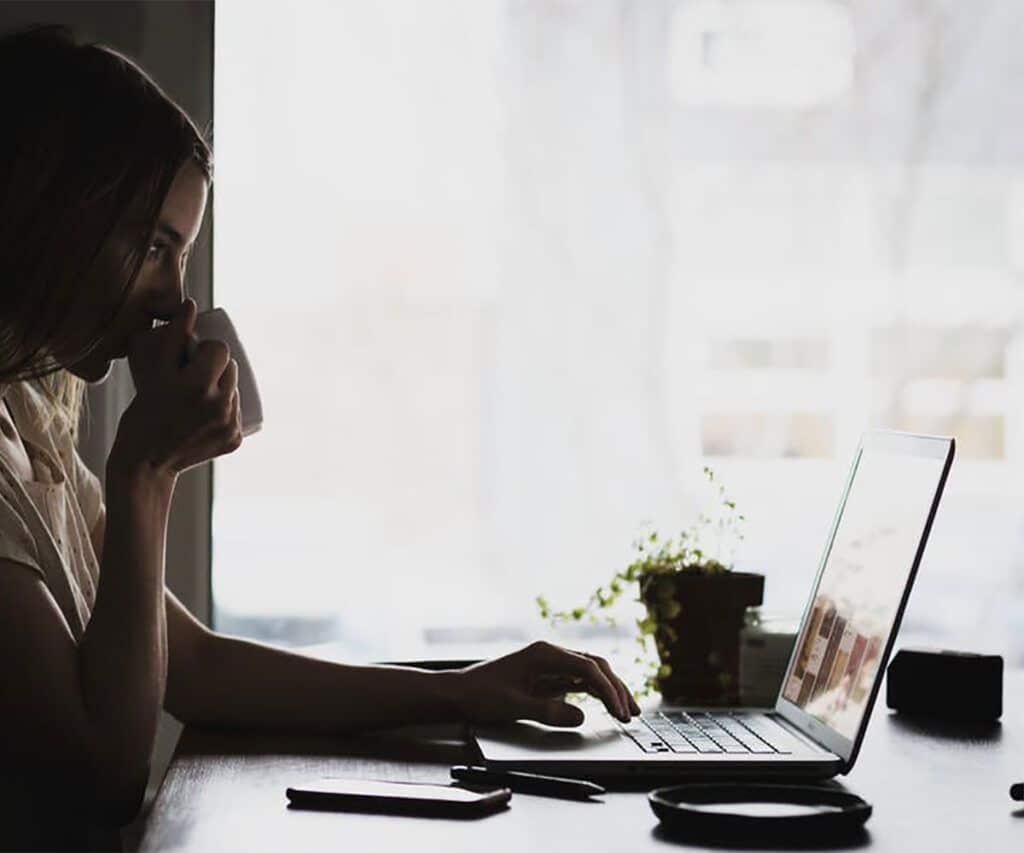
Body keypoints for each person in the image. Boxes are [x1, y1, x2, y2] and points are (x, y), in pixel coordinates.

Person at [0, 24, 639, 847]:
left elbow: (192, 666)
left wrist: (457, 691)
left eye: (181, 257)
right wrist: (146, 475)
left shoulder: (30, 423)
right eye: (156, 246)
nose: (174, 303)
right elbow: (102, 774)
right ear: (53, 212)